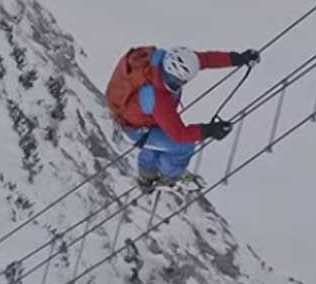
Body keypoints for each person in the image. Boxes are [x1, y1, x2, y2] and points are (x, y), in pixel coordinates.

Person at [104, 45, 259, 188]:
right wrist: (210, 130)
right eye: (177, 80)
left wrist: (237, 58)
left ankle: (147, 177)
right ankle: (169, 178)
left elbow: (204, 59)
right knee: (183, 146)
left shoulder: (161, 60)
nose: (178, 84)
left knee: (159, 142)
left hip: (139, 119)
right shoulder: (158, 98)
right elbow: (180, 135)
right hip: (136, 129)